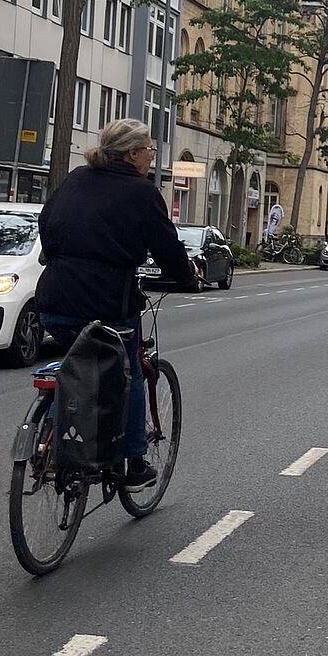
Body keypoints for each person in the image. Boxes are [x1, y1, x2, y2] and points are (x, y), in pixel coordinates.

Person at [36, 118, 197, 488]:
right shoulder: (141, 193)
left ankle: (46, 441)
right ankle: (135, 464)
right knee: (130, 373)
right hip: (108, 303)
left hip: (55, 297)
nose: (152, 158)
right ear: (133, 153)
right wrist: (186, 276)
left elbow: (47, 223)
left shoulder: (76, 179)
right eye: (150, 151)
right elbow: (167, 246)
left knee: (71, 362)